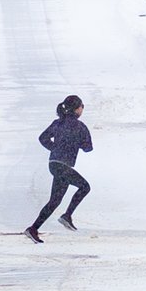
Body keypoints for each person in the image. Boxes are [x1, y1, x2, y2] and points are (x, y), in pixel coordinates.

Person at [25, 93, 92, 240]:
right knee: (85, 187)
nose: (82, 109)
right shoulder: (80, 127)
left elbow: (43, 138)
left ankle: (33, 229)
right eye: (82, 107)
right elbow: (88, 148)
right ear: (76, 109)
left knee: (54, 201)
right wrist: (77, 143)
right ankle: (67, 216)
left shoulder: (58, 123)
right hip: (64, 166)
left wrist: (55, 148)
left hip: (54, 164)